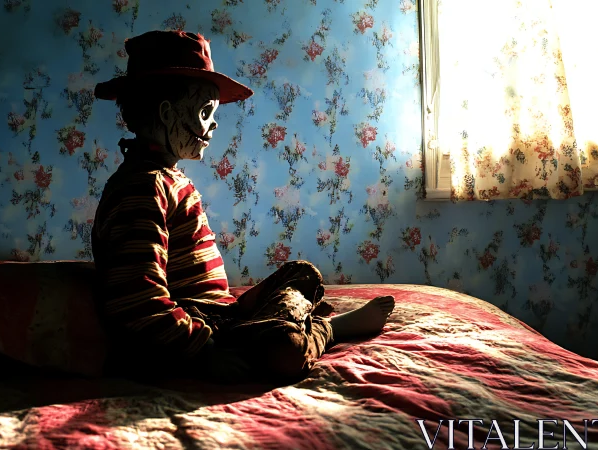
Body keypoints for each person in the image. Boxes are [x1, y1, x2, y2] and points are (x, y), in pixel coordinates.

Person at [91, 30, 395, 384]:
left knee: (301, 275)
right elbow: (137, 296)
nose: (214, 124)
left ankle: (286, 321)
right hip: (195, 329)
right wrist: (204, 352)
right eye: (205, 112)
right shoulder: (142, 187)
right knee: (285, 350)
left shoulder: (166, 178)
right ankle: (329, 329)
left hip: (220, 314)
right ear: (168, 114)